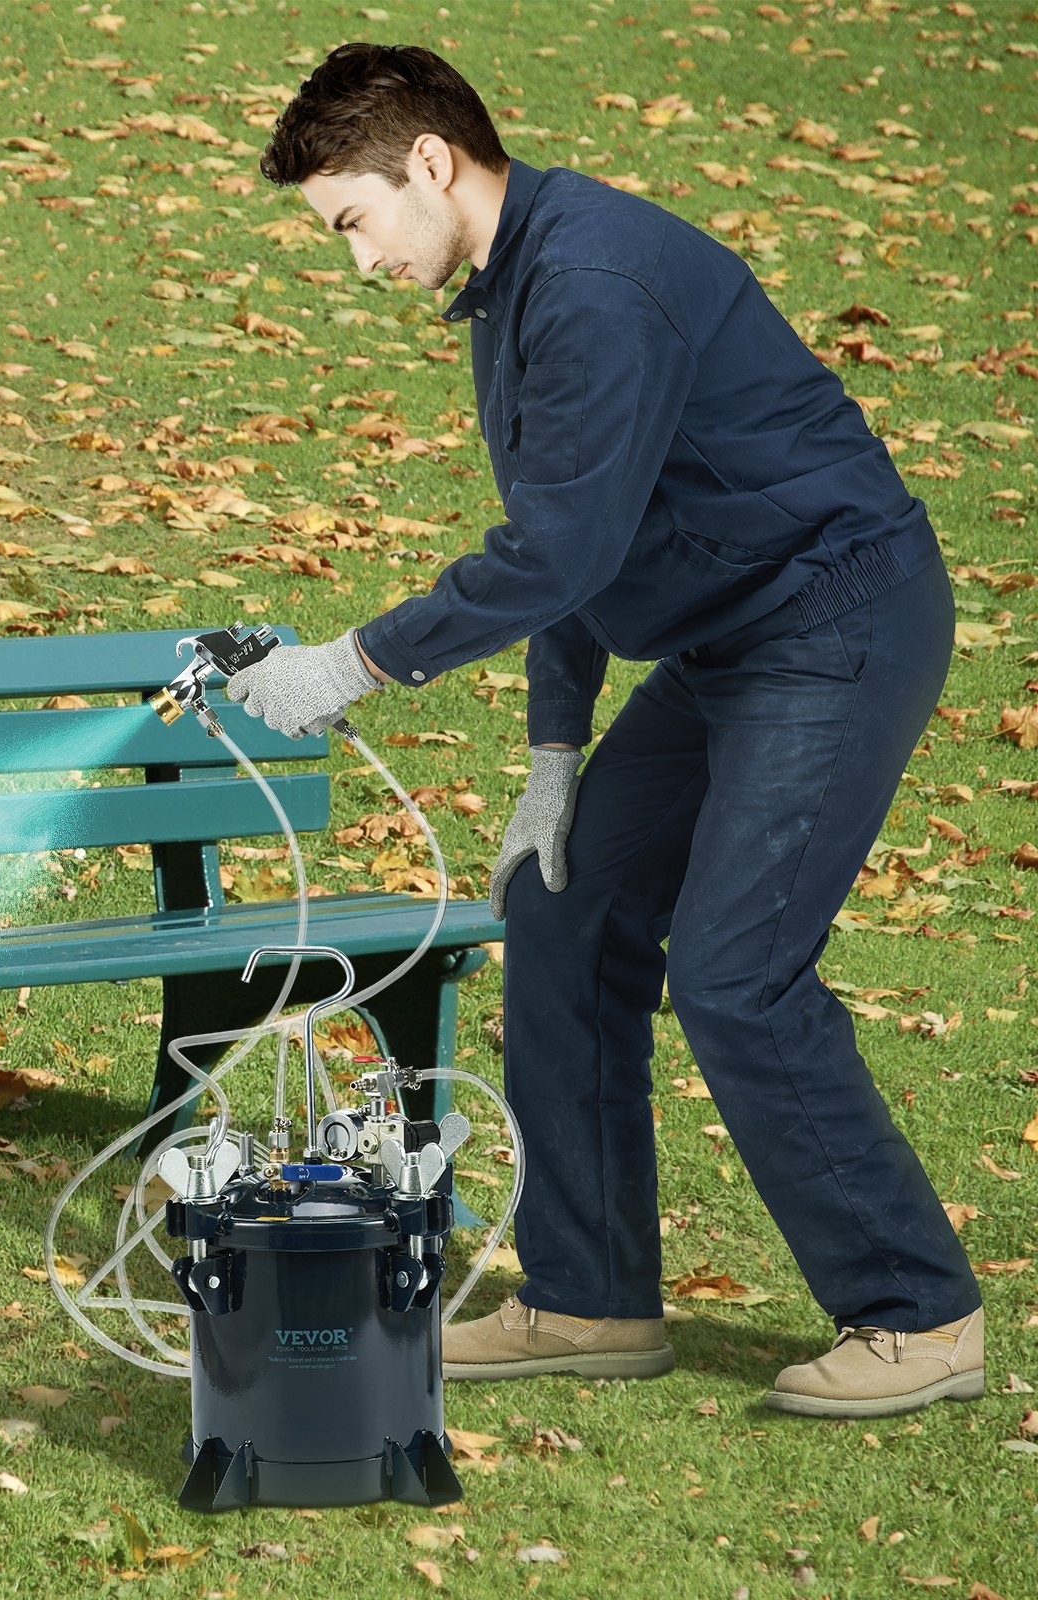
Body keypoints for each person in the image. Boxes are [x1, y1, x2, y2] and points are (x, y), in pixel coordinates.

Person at [225, 42, 984, 1419]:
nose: (353, 263)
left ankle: (918, 1315)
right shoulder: (515, 283)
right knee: (565, 914)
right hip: (728, 635)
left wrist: (350, 666)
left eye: (352, 222)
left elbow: (560, 551)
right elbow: (576, 529)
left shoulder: (591, 285)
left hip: (835, 621)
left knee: (740, 973)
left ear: (434, 166)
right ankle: (588, 1299)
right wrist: (555, 760)